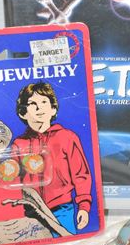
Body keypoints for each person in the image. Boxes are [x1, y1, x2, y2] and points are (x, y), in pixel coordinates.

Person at [12, 82, 92, 234]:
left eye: (44, 102)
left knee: (65, 244)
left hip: (62, 209)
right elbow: (14, 180)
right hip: (30, 212)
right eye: (32, 103)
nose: (39, 107)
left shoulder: (67, 137)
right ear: (23, 113)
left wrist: (84, 206)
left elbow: (81, 174)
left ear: (53, 109)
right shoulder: (19, 144)